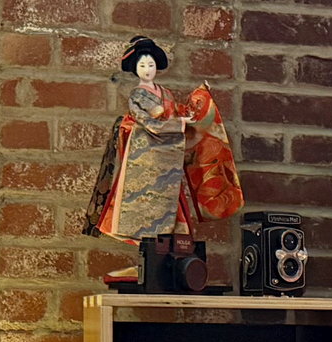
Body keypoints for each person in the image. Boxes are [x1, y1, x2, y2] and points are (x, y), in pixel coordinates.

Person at [84, 36, 243, 244]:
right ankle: (147, 246)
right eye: (142, 65)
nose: (147, 69)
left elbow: (176, 113)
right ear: (135, 69)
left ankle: (168, 246)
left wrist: (199, 99)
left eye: (150, 64)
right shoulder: (138, 96)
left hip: (168, 157)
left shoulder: (164, 92)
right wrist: (177, 124)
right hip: (145, 157)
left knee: (172, 203)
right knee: (145, 203)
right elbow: (149, 122)